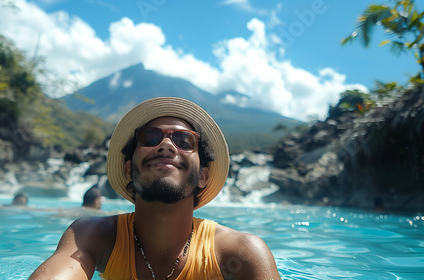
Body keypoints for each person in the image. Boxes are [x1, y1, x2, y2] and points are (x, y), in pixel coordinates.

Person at [29, 97, 280, 279]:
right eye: (151, 138)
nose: (167, 146)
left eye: (184, 140)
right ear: (129, 170)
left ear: (203, 176)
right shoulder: (93, 235)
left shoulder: (240, 253)